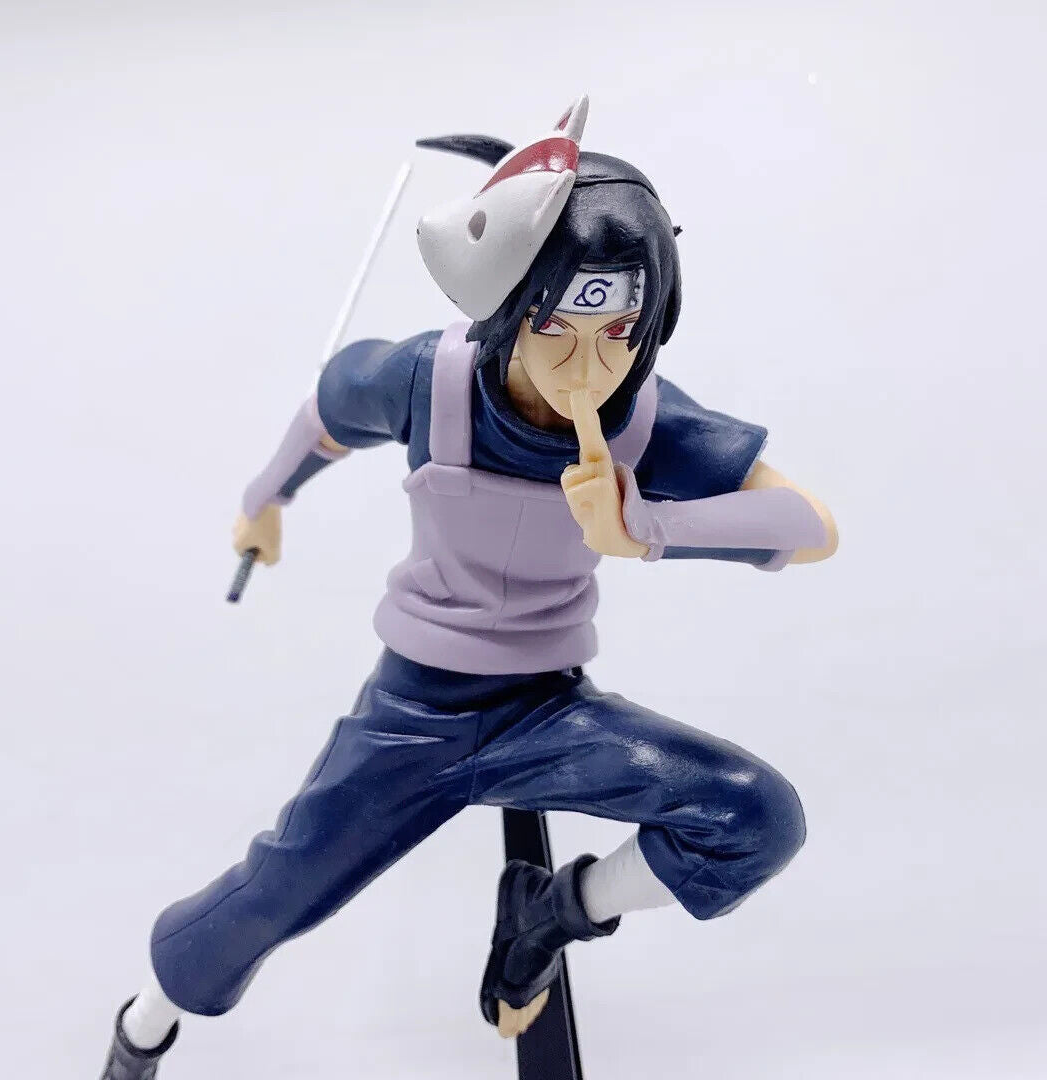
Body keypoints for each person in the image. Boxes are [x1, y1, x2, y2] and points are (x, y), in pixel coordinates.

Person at [99, 95, 837, 1079]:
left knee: (753, 817)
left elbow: (808, 526)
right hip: (415, 712)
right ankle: (143, 1024)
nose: (591, 363)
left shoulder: (643, 419)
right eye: (559, 326)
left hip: (548, 710)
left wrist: (650, 529)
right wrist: (262, 502)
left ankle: (551, 913)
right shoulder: (428, 381)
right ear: (507, 301)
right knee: (272, 896)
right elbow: (325, 413)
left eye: (621, 329)